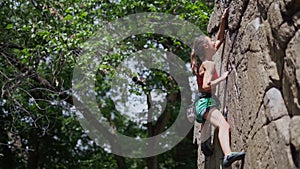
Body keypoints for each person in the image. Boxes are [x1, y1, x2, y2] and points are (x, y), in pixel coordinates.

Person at [190, 8, 245, 167]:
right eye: (211, 42)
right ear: (207, 48)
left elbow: (220, 39)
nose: (215, 43)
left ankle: (205, 143)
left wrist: (223, 20)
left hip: (202, 103)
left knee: (215, 118)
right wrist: (222, 77)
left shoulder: (203, 62)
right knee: (223, 125)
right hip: (205, 102)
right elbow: (207, 85)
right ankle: (228, 155)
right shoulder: (209, 64)